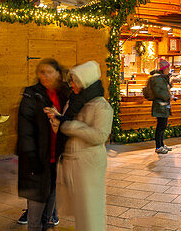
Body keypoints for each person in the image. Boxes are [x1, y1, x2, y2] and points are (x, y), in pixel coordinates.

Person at [47, 61, 112, 231]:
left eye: (75, 81)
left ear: (86, 81)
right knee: (81, 211)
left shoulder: (101, 106)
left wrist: (68, 126)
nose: (72, 85)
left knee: (91, 211)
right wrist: (57, 118)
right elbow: (67, 122)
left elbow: (100, 136)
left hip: (89, 165)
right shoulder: (75, 101)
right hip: (75, 164)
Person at [15, 58, 67, 230]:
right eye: (41, 72)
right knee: (36, 199)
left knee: (52, 190)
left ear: (58, 74)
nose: (44, 76)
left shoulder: (65, 93)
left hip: (56, 154)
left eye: (49, 72)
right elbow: (25, 127)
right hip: (38, 155)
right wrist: (30, 155)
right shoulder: (32, 93)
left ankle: (49, 222)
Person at [147, 58, 173, 154]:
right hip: (160, 106)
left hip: (163, 106)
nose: (169, 70)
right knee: (160, 126)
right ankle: (158, 146)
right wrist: (168, 97)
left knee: (163, 126)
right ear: (164, 69)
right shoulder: (157, 78)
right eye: (168, 68)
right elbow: (159, 92)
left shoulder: (162, 77)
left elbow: (165, 89)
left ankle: (161, 144)